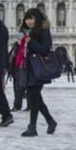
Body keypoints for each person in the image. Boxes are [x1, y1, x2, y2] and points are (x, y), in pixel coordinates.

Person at [18, 8, 57, 137]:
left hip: (38, 68)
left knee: (32, 97)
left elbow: (45, 49)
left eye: (32, 18)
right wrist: (20, 43)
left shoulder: (43, 31)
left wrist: (31, 41)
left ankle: (32, 127)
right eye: (27, 18)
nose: (29, 21)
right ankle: (50, 121)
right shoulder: (23, 32)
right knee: (36, 98)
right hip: (27, 68)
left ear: (38, 19)